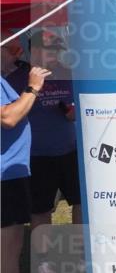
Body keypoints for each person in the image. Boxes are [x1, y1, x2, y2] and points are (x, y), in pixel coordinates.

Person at [0, 42, 53, 273]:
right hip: (5, 175)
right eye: (9, 46)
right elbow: (8, 118)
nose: (16, 52)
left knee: (11, 246)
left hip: (13, 172)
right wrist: (32, 89)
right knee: (7, 249)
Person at [7, 32, 83, 236]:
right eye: (49, 51)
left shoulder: (69, 74)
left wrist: (75, 112)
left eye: (57, 51)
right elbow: (10, 114)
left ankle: (82, 250)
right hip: (35, 155)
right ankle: (44, 259)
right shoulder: (17, 79)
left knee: (81, 202)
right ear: (35, 52)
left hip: (70, 151)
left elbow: (79, 105)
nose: (54, 56)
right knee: (40, 209)